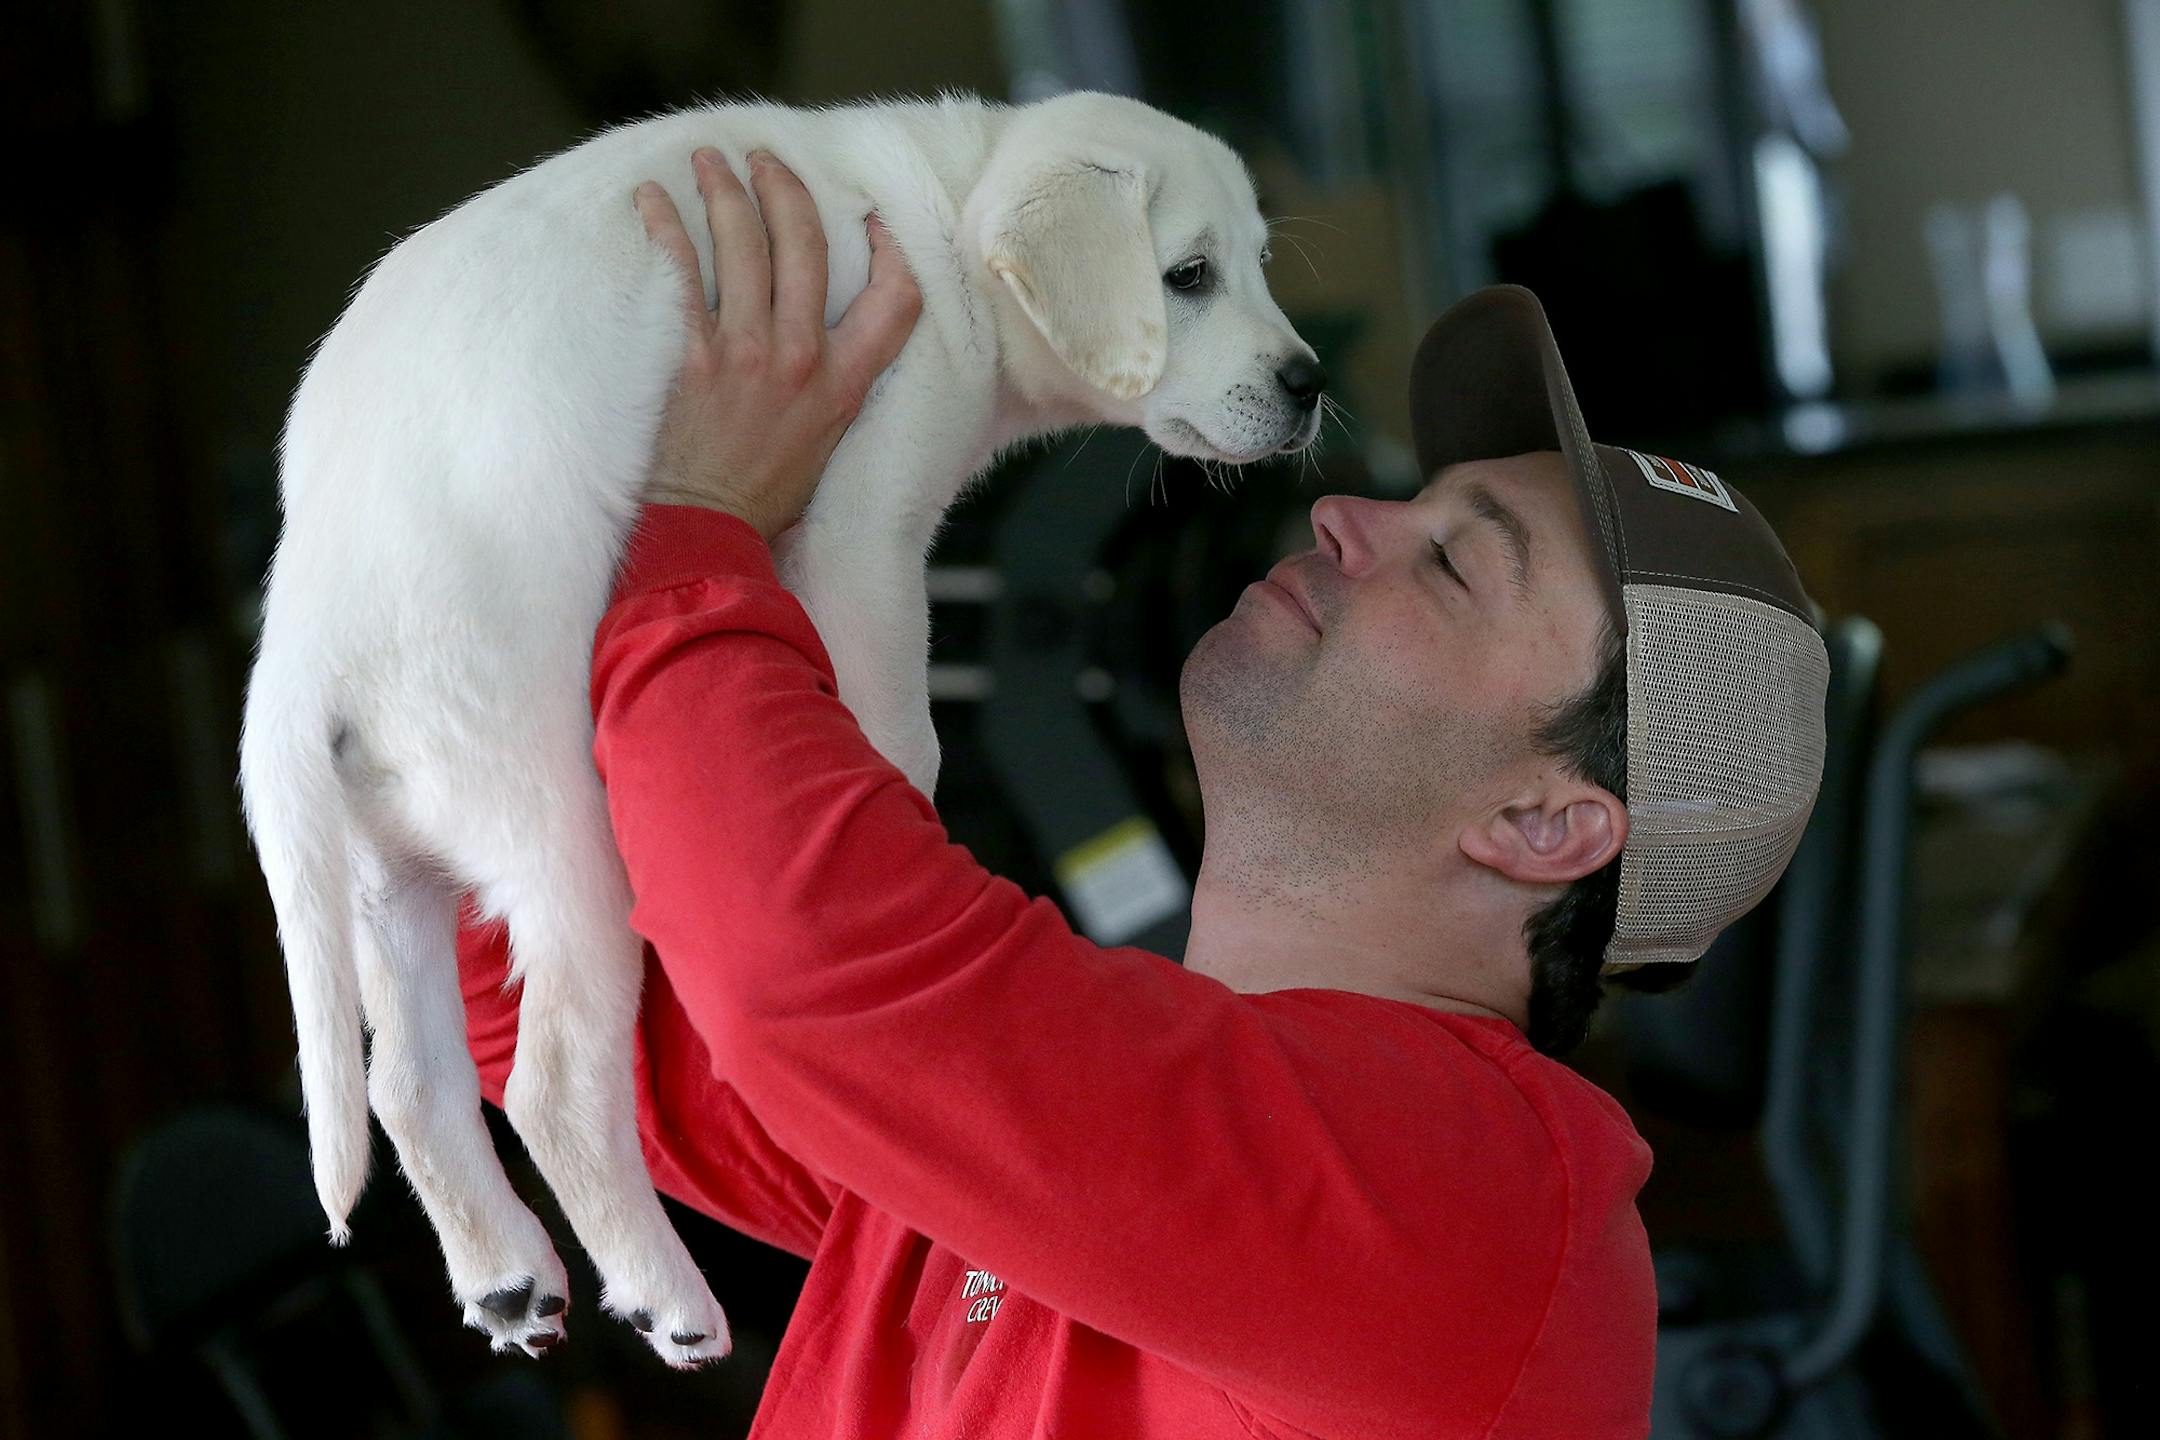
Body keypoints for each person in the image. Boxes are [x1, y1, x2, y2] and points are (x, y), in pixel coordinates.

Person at [456, 148, 1830, 1438]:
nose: (1347, 515)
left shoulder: (1487, 1193)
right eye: (1421, 498)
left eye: (1458, 566)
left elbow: (808, 975)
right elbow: (547, 1015)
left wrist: (692, 520)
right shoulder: (1092, 1102)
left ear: (1544, 825)